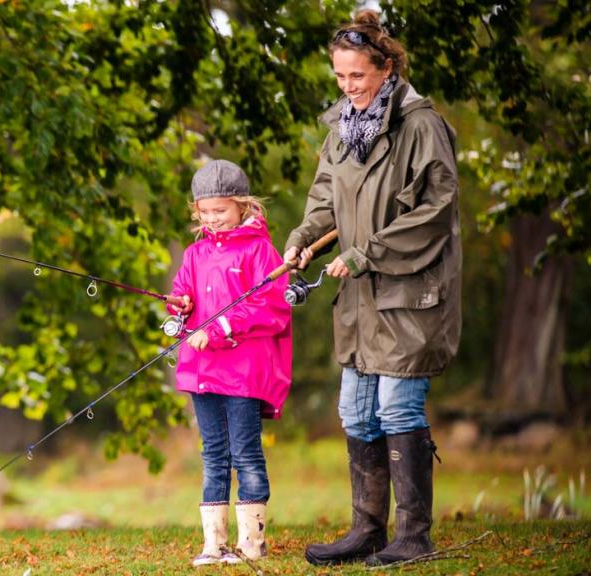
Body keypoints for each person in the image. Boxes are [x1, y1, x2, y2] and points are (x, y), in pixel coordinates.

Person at [284, 9, 461, 567]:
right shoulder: (341, 128)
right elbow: (323, 198)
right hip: (359, 300)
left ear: (385, 68)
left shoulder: (420, 125)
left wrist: (365, 255)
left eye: (356, 76)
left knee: (396, 407)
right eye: (339, 77)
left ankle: (414, 536)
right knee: (356, 413)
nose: (347, 87)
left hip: (409, 296)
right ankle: (367, 530)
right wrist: (303, 240)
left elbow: (436, 210)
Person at [167, 159, 292, 566]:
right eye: (205, 212)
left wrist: (219, 327)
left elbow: (272, 307)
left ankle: (252, 543)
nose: (213, 219)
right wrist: (181, 305)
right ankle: (214, 544)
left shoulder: (260, 250)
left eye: (220, 210)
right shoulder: (194, 253)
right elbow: (181, 292)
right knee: (213, 453)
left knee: (246, 453)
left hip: (243, 372)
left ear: (243, 206)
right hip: (202, 370)